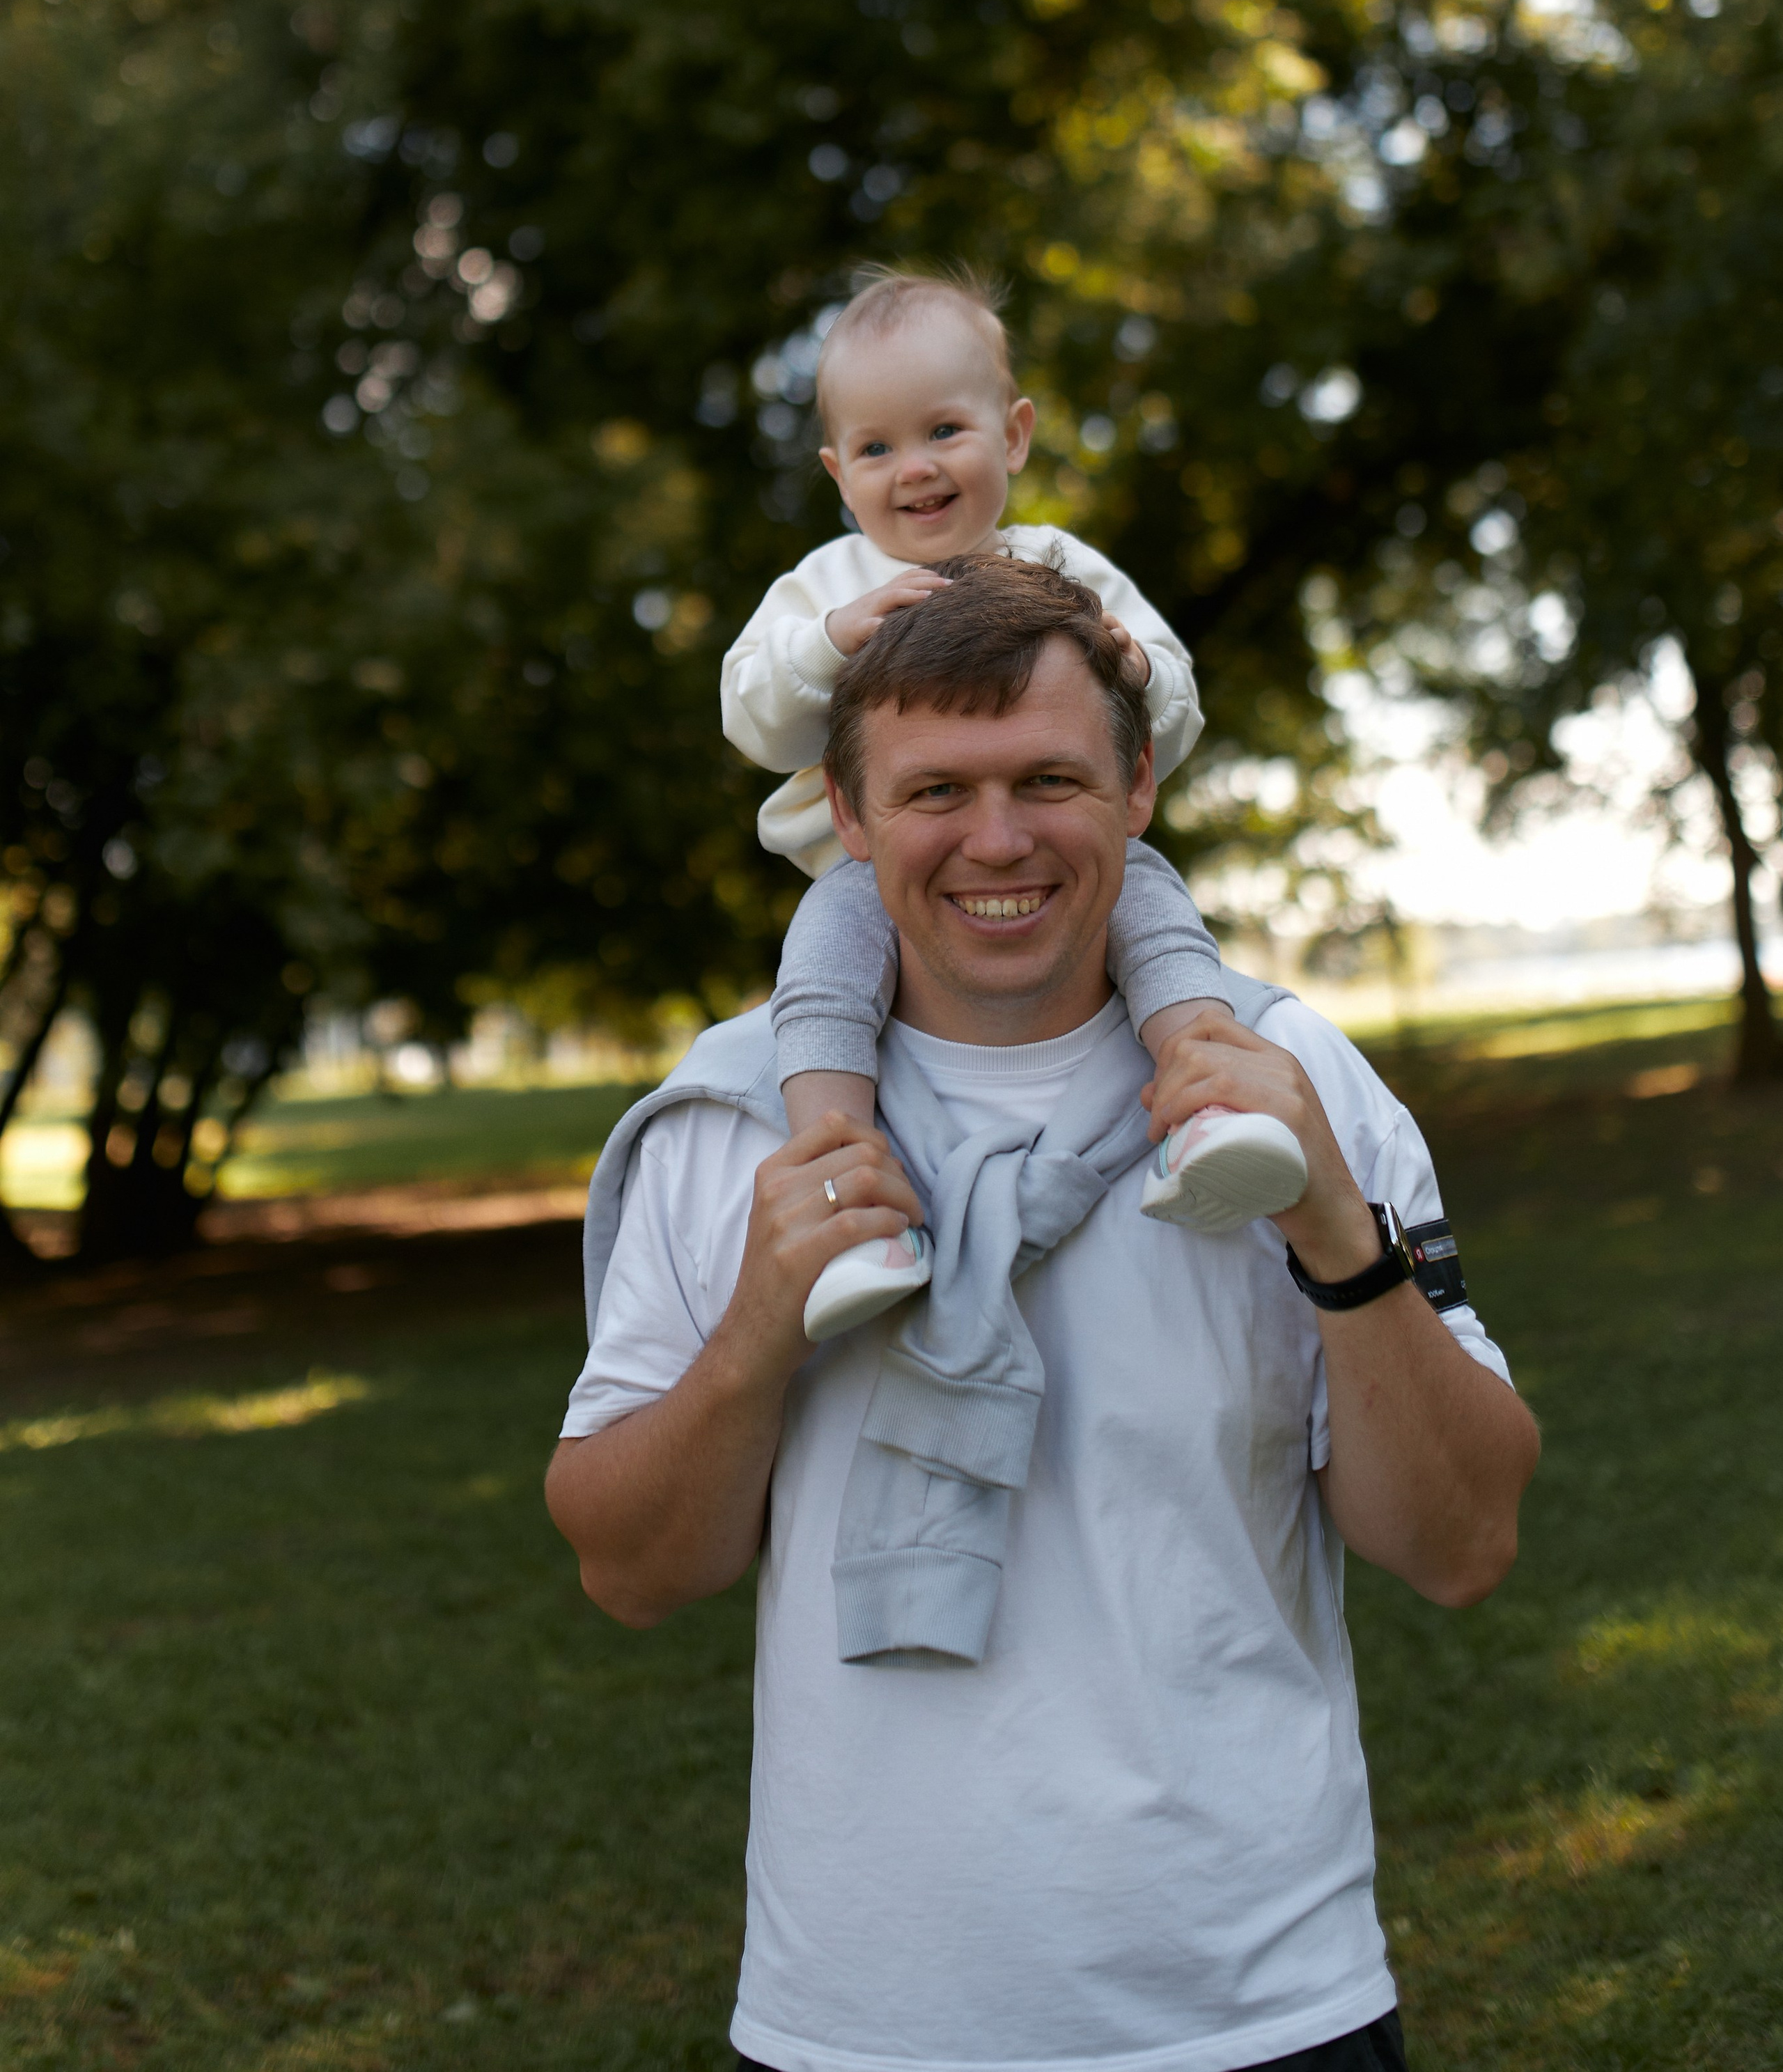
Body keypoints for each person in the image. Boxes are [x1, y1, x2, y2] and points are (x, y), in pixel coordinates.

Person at [547, 555, 1540, 2072]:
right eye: (935, 790)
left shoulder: (1290, 1091)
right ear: (850, 812)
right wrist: (756, 1331)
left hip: (1260, 2008)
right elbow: (627, 1570)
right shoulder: (735, 1123)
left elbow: (1461, 1546)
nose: (995, 840)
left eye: (1049, 779)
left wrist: (1338, 1237)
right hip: (857, 2027)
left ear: (1137, 790)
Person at [721, 265, 1305, 1340]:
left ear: (1016, 434)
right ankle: (851, 1206)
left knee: (1163, 927)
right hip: (866, 873)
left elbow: (1172, 714)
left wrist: (1135, 672)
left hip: (1073, 859)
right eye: (878, 448)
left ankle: (1210, 1106)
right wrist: (830, 646)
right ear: (837, 472)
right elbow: (752, 717)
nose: (917, 469)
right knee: (821, 992)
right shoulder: (824, 587)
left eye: (946, 430)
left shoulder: (1060, 567)